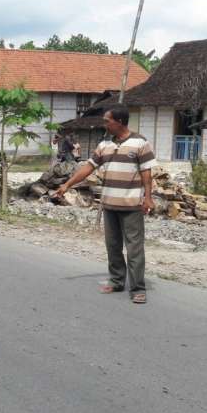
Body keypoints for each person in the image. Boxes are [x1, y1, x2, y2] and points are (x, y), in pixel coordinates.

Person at [53, 106, 156, 304]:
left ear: (119, 121)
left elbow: (146, 173)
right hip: (109, 204)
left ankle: (137, 288)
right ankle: (117, 280)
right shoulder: (105, 145)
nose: (105, 124)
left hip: (131, 204)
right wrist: (66, 185)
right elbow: (88, 168)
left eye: (107, 120)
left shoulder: (140, 143)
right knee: (113, 246)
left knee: (134, 247)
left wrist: (148, 197)